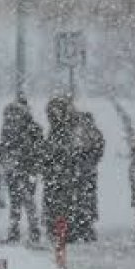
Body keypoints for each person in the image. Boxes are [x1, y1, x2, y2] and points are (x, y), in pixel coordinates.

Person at [0, 95, 44, 243]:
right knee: (21, 200)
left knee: (23, 200)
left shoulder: (28, 128)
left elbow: (37, 148)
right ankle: (26, 231)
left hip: (24, 168)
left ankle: (25, 231)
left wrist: (8, 155)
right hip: (20, 168)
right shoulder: (19, 128)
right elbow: (6, 146)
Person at [42, 95, 79, 242]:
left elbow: (66, 151)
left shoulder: (65, 131)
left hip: (62, 175)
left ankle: (63, 231)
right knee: (55, 203)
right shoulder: (55, 131)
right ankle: (56, 230)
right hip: (55, 175)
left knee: (63, 203)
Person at [70, 109, 105, 242]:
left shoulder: (79, 134)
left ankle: (83, 227)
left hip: (83, 171)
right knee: (86, 199)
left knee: (82, 199)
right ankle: (86, 227)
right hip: (87, 171)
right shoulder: (93, 133)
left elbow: (98, 149)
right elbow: (99, 149)